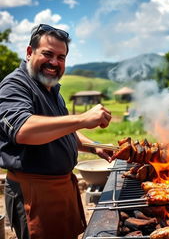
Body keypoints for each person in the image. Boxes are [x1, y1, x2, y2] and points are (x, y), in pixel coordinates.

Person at [0, 24, 112, 239]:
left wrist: (95, 147)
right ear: (29, 52)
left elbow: (62, 129)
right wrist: (82, 119)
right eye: (48, 54)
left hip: (62, 187)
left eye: (61, 57)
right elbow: (24, 130)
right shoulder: (14, 85)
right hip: (35, 193)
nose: (54, 62)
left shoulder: (51, 88)